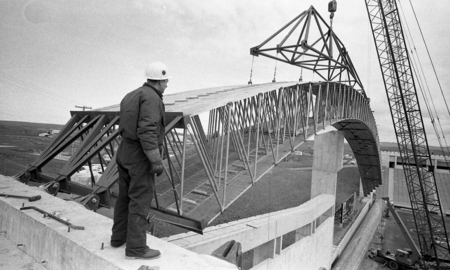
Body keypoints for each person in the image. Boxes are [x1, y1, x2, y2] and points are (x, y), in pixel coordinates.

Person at [110, 61, 170, 260]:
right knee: (140, 200)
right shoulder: (152, 98)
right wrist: (155, 160)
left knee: (124, 197)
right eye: (166, 80)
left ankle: (118, 238)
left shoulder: (131, 95)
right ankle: (136, 248)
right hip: (140, 155)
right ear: (159, 81)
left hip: (124, 151)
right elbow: (147, 130)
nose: (167, 84)